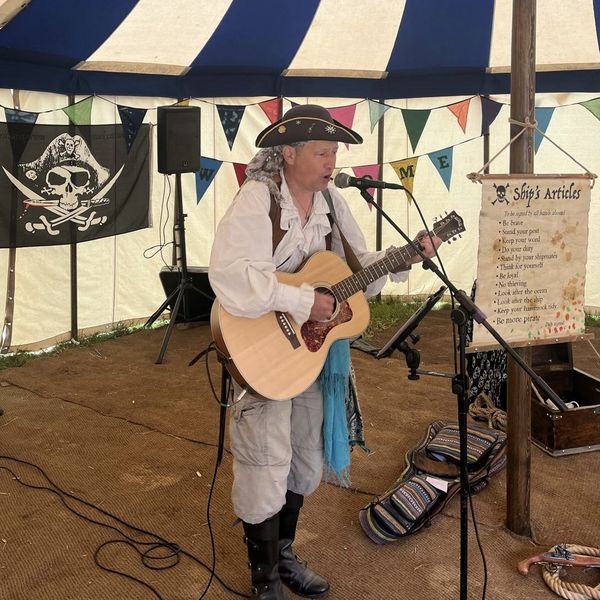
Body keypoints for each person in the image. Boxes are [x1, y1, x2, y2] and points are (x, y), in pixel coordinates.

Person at [208, 104, 441, 600]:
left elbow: (354, 271)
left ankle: (284, 553)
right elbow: (231, 276)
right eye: (322, 152)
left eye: (334, 153)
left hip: (310, 354)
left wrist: (405, 256)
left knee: (305, 457)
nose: (332, 162)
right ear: (289, 153)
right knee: (265, 459)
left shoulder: (331, 201)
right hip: (262, 347)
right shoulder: (258, 199)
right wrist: (301, 301)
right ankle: (265, 578)